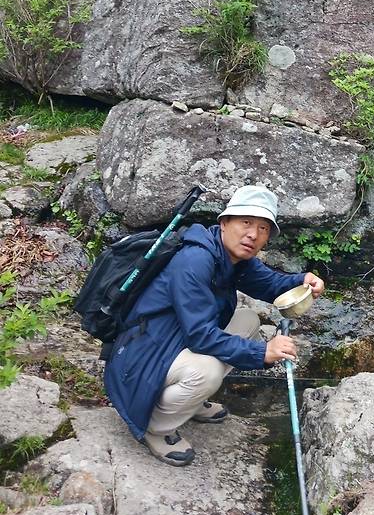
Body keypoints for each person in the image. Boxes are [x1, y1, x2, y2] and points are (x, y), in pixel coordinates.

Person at [103, 184, 324, 466]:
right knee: (206, 374)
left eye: (263, 228)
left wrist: (302, 279)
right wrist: (262, 353)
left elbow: (270, 284)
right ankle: (155, 427)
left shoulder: (232, 257)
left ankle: (188, 402)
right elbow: (200, 336)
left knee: (247, 320)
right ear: (224, 223)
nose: (253, 234)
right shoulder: (195, 260)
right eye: (246, 222)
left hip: (174, 341)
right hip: (143, 355)